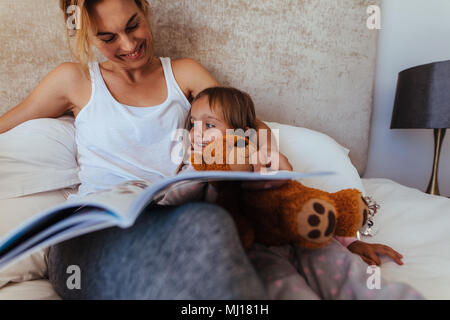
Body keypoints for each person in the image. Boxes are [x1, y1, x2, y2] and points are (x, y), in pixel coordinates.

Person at [0, 0, 292, 299]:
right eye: (108, 37)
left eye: (132, 25)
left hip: (166, 220)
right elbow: (5, 124)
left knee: (210, 223)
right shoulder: (74, 80)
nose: (128, 44)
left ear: (145, 9)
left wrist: (266, 155)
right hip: (88, 235)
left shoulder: (185, 74)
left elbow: (246, 124)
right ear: (88, 36)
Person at [163, 86, 424, 300]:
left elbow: (299, 201)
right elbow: (177, 207)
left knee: (343, 269)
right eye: (193, 124)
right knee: (282, 285)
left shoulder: (265, 159)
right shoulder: (192, 168)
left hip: (296, 235)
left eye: (209, 125)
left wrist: (350, 241)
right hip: (255, 247)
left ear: (241, 133)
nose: (196, 134)